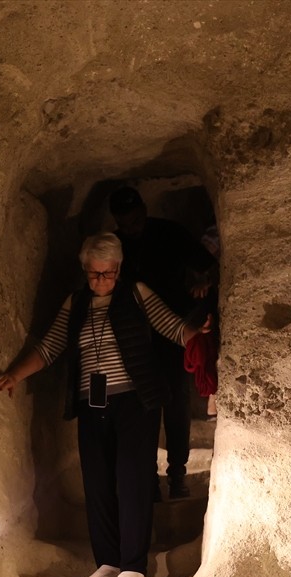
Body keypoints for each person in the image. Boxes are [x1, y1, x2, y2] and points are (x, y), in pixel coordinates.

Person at [0, 233, 210, 577]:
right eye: (94, 274)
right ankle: (108, 561)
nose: (102, 281)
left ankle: (133, 565)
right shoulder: (76, 303)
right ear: (85, 270)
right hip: (92, 404)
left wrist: (196, 332)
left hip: (135, 402)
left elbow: (172, 327)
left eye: (108, 274)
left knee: (133, 479)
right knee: (97, 481)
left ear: (119, 268)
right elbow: (50, 346)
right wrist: (15, 373)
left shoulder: (136, 293)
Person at [108, 186, 219, 499]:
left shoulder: (169, 233)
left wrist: (202, 281)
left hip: (174, 331)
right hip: (135, 338)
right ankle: (149, 478)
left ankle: (177, 474)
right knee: (143, 405)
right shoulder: (115, 246)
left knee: (176, 403)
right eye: (126, 224)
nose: (133, 228)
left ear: (144, 209)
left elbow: (205, 264)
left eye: (137, 219)